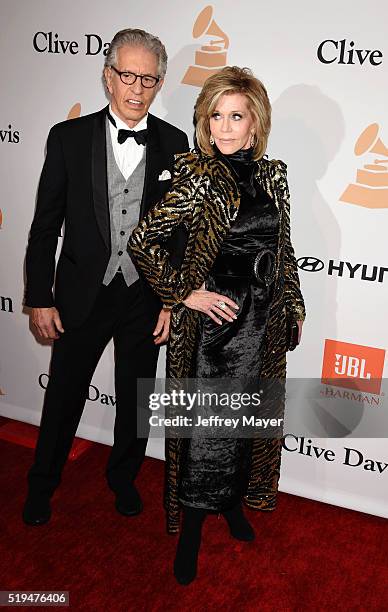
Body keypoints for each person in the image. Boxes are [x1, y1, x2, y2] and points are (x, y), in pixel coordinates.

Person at [129, 66, 305, 584]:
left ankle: (230, 506)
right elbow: (144, 242)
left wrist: (292, 306)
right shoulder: (199, 177)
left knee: (247, 426)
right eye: (216, 116)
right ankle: (191, 531)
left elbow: (284, 248)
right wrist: (185, 294)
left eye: (236, 116)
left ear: (255, 123)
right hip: (215, 331)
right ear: (206, 123)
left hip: (262, 324)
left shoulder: (275, 176)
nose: (225, 127)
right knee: (206, 433)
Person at [23, 28, 189, 526]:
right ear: (107, 76)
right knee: (63, 396)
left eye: (149, 79)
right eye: (127, 76)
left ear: (159, 83)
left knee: (136, 399)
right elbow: (45, 223)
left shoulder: (174, 142)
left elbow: (178, 231)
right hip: (79, 294)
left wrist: (170, 300)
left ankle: (123, 478)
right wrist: (39, 296)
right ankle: (41, 485)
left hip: (144, 296)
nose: (137, 89)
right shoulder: (67, 138)